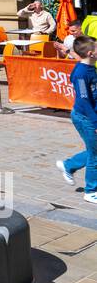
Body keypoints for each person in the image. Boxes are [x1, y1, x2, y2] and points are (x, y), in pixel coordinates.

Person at [57, 36, 97, 203]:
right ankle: (91, 191)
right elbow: (83, 99)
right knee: (95, 155)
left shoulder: (89, 67)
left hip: (89, 116)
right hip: (85, 118)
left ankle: (69, 165)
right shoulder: (81, 73)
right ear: (91, 53)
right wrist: (95, 122)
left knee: (93, 150)